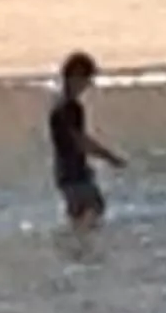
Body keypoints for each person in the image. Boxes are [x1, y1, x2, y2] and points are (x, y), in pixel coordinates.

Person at [48, 51, 125, 227]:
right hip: (74, 174)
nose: (88, 85)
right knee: (94, 210)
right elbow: (79, 141)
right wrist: (109, 157)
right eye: (87, 79)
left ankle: (76, 251)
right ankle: (83, 251)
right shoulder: (70, 107)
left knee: (79, 217)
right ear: (75, 77)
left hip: (64, 173)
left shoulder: (58, 104)